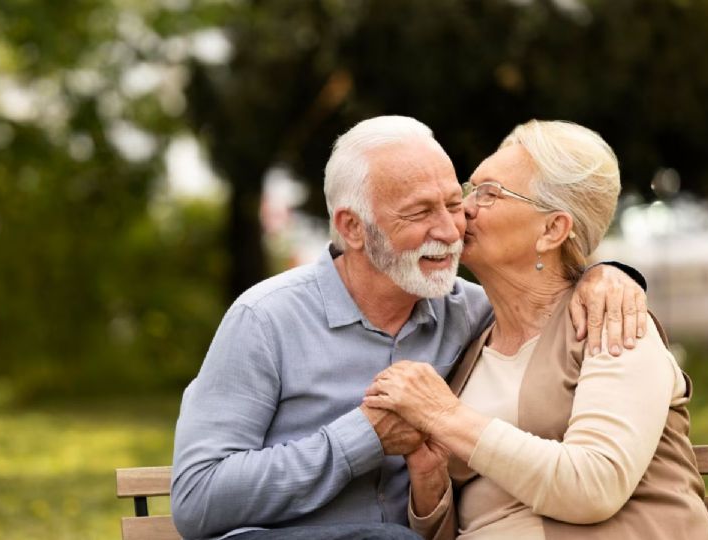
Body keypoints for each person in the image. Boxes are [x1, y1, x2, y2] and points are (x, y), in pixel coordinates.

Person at [171, 116, 649, 540]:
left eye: (452, 202)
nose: (450, 229)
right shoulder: (266, 319)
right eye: (421, 212)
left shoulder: (475, 315)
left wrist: (605, 275)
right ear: (353, 228)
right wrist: (363, 437)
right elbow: (196, 499)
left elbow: (543, 285)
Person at [364, 120, 708, 539]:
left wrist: (445, 416)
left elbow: (593, 486)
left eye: (490, 193)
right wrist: (429, 482)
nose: (465, 208)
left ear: (552, 230)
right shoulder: (469, 340)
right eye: (470, 188)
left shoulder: (611, 322)